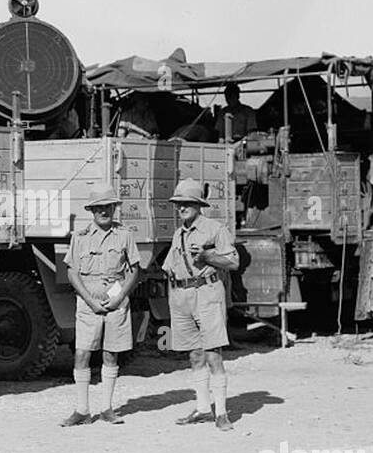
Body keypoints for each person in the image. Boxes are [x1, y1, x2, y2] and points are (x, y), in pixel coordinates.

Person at [161, 179, 241, 431]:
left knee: (213, 354)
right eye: (178, 204)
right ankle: (203, 408)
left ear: (198, 205)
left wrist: (208, 256)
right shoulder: (178, 233)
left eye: (187, 203)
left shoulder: (215, 229)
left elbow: (233, 263)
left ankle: (222, 413)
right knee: (194, 354)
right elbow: (169, 265)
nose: (181, 208)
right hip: (182, 296)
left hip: (207, 293)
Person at [61, 186, 142, 427]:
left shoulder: (124, 235)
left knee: (111, 353)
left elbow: (134, 270)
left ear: (114, 208)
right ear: (92, 211)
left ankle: (107, 408)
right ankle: (82, 410)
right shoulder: (80, 237)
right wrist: (89, 299)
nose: (103, 211)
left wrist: (118, 298)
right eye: (99, 207)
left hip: (115, 302)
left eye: (108, 206)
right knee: (82, 353)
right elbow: (72, 272)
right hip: (88, 303)